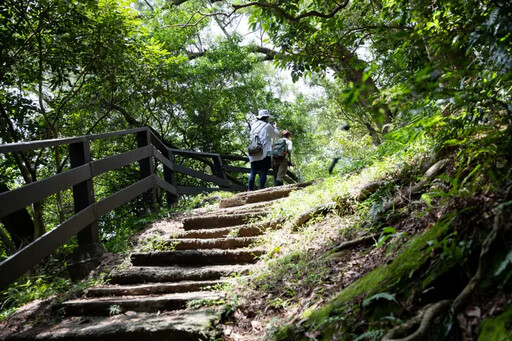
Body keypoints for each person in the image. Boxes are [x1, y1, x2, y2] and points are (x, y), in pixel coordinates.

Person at [248, 109, 280, 191]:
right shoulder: (267, 126)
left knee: (253, 171)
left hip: (253, 151)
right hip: (264, 152)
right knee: (264, 171)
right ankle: (261, 188)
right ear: (266, 117)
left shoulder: (253, 125)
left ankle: (249, 189)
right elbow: (275, 135)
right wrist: (275, 128)